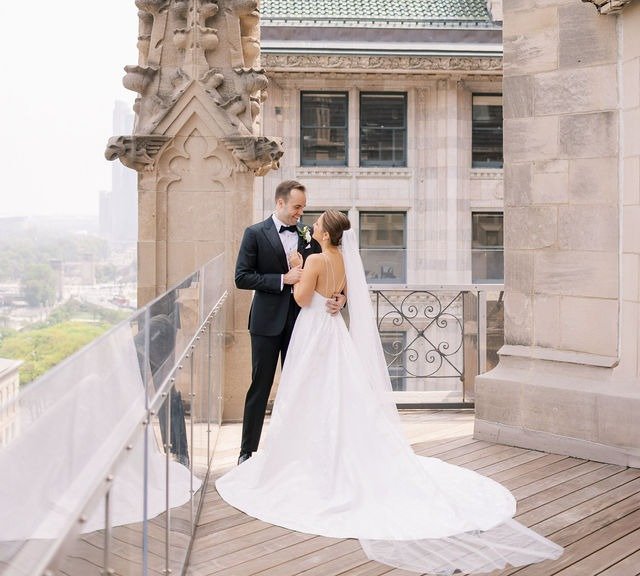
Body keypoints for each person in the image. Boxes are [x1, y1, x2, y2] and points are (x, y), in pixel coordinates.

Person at [217, 210, 563, 575]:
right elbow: (341, 296)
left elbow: (302, 300)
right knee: (337, 393)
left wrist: (298, 267)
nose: (312, 225)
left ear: (326, 233)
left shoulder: (316, 258)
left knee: (307, 393)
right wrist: (334, 300)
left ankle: (307, 455)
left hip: (312, 332)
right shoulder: (341, 259)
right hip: (333, 333)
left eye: (317, 224)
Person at [235, 180, 345, 465]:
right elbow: (242, 277)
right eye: (297, 207)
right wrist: (282, 279)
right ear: (280, 203)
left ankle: (295, 450)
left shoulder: (309, 236)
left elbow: (328, 274)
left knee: (299, 386)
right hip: (265, 322)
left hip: (303, 322)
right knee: (260, 385)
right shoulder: (255, 233)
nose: (300, 212)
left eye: (303, 207)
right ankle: (247, 451)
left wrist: (339, 299)